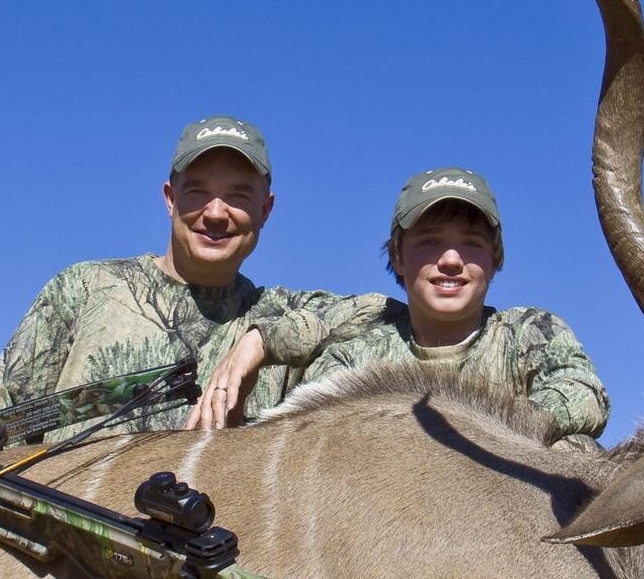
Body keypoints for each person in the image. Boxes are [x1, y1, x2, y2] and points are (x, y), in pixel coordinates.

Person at [0, 115, 371, 436]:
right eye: (198, 191)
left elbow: (380, 313)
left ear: (265, 210)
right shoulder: (83, 288)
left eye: (238, 195)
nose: (216, 213)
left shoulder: (276, 313)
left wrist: (261, 341)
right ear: (170, 199)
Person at [190, 166, 609, 445]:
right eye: (429, 242)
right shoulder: (362, 350)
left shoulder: (529, 331)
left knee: (577, 451)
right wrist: (257, 340)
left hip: (503, 523)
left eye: (472, 245)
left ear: (494, 260)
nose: (450, 260)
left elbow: (584, 396)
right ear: (397, 256)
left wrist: (474, 435)